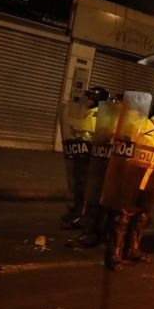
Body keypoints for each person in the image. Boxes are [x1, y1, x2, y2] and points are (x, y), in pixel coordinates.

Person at [102, 96, 154, 272]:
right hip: (132, 175)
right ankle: (114, 254)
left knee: (142, 216)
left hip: (153, 178)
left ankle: (132, 249)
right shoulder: (141, 125)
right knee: (123, 215)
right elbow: (118, 141)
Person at [60, 86, 109, 229]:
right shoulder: (96, 114)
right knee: (84, 189)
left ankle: (81, 217)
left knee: (83, 189)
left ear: (95, 100)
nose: (86, 100)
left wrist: (79, 140)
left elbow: (93, 139)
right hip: (88, 158)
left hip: (87, 159)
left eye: (89, 98)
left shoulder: (95, 116)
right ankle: (82, 215)